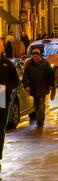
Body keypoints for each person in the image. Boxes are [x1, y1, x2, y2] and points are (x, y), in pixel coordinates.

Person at [0, 39, 19, 172]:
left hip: (1, 96)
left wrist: (6, 88)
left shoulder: (7, 64)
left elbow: (15, 80)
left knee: (0, 127)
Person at [23, 48, 54, 127]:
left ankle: (40, 120)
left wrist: (50, 84)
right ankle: (40, 117)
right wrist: (26, 85)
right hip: (33, 87)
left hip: (43, 86)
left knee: (41, 104)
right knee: (36, 104)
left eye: (36, 55)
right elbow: (25, 76)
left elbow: (50, 75)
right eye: (33, 55)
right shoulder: (29, 65)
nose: (35, 57)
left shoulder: (45, 63)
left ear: (39, 55)